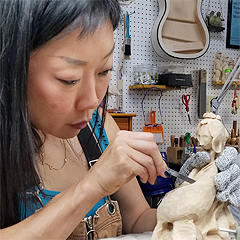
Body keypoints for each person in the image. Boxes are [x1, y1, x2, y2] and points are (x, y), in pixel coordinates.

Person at [0, 1, 239, 240]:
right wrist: (92, 186)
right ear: (13, 66)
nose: (93, 100)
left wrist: (203, 201)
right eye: (69, 79)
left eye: (104, 71)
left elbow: (138, 219)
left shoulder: (97, 129)